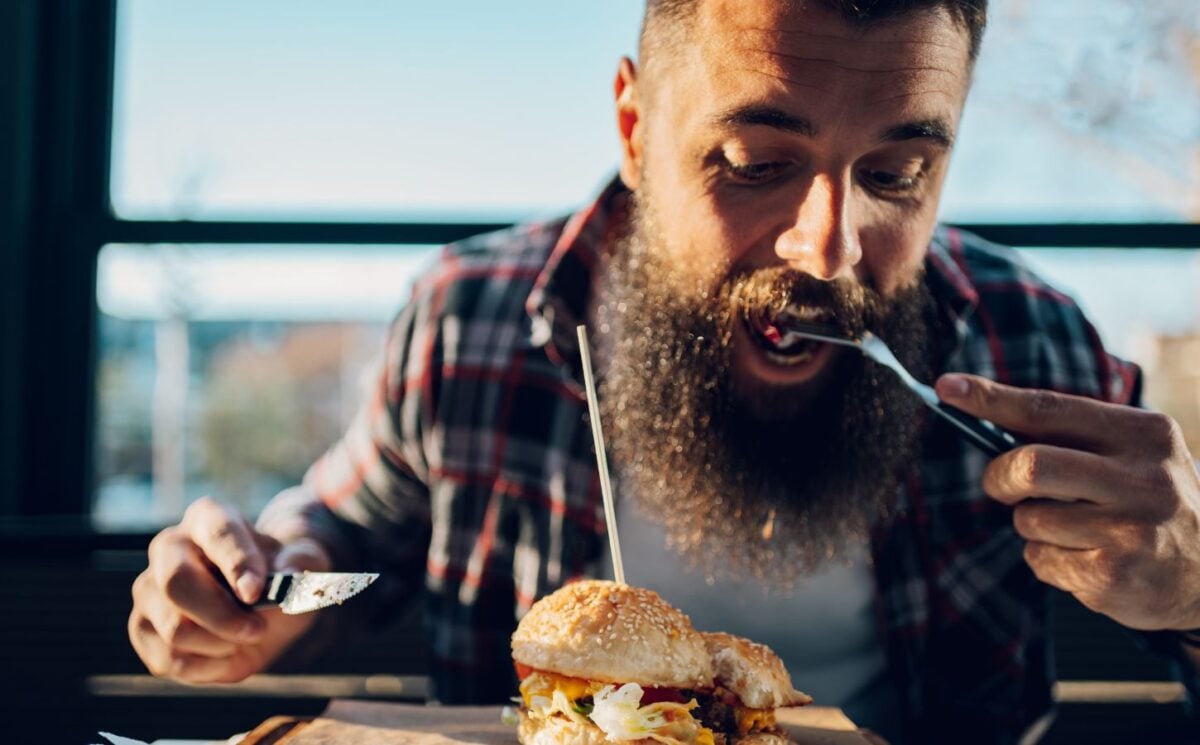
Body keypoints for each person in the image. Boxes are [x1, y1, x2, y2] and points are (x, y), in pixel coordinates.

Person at [127, 1, 1200, 742]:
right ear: (636, 130)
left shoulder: (1036, 348)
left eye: (899, 172)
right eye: (754, 165)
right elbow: (347, 533)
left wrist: (1193, 593)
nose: (829, 247)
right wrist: (262, 588)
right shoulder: (471, 320)